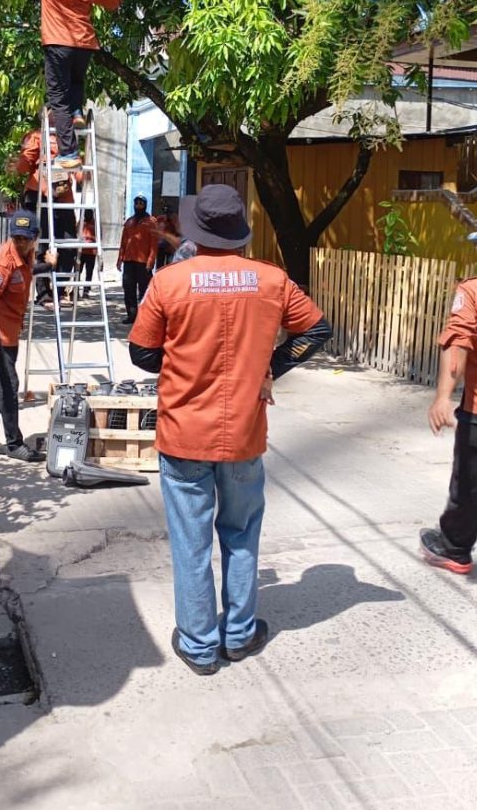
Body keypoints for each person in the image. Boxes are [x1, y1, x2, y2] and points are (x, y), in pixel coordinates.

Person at [128, 184, 332, 675]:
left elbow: (141, 353)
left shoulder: (169, 283)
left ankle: (199, 645)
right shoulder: (271, 280)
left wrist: (182, 364)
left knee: (191, 539)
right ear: (241, 231)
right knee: (241, 532)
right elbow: (317, 331)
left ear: (196, 229)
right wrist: (269, 368)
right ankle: (238, 634)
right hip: (243, 432)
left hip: (182, 433)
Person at [21, 0, 126, 170]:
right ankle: (77, 113)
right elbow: (113, 2)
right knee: (76, 82)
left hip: (58, 43)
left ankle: (68, 153)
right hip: (84, 45)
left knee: (57, 99)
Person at [421, 226, 477, 574]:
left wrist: (443, 397)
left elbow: (458, 341)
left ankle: (455, 549)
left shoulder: (474, 291)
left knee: (471, 488)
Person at [0, 210, 53, 462]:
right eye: (16, 238)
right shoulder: (2, 263)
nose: (20, 243)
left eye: (25, 239)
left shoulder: (25, 255)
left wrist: (49, 265)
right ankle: (14, 443)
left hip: (10, 333)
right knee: (9, 386)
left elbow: (27, 271)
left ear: (35, 238)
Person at [10, 127, 78, 307]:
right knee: (40, 245)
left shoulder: (68, 135)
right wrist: (35, 153)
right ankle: (43, 293)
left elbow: (79, 169)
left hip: (63, 196)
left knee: (69, 244)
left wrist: (79, 171)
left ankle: (62, 291)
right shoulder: (36, 135)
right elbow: (23, 165)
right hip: (38, 194)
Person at [117, 194, 158, 324]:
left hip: (143, 262)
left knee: (144, 290)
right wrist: (120, 259)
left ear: (145, 205)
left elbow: (154, 243)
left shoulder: (151, 222)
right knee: (128, 288)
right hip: (129, 260)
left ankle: (145, 317)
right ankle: (132, 315)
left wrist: (151, 261)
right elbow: (123, 242)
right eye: (137, 203)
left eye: (141, 203)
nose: (138, 206)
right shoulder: (129, 222)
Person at [154, 204, 181, 270]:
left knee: (169, 264)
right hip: (161, 245)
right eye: (165, 212)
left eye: (168, 212)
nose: (167, 214)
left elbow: (178, 232)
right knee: (160, 264)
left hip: (170, 246)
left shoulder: (174, 220)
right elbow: (156, 229)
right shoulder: (160, 219)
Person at [79, 208, 97, 298]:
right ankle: (75, 290)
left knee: (89, 272)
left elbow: (99, 238)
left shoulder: (95, 224)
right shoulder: (81, 223)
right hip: (81, 251)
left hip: (91, 252)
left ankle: (86, 291)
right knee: (78, 271)